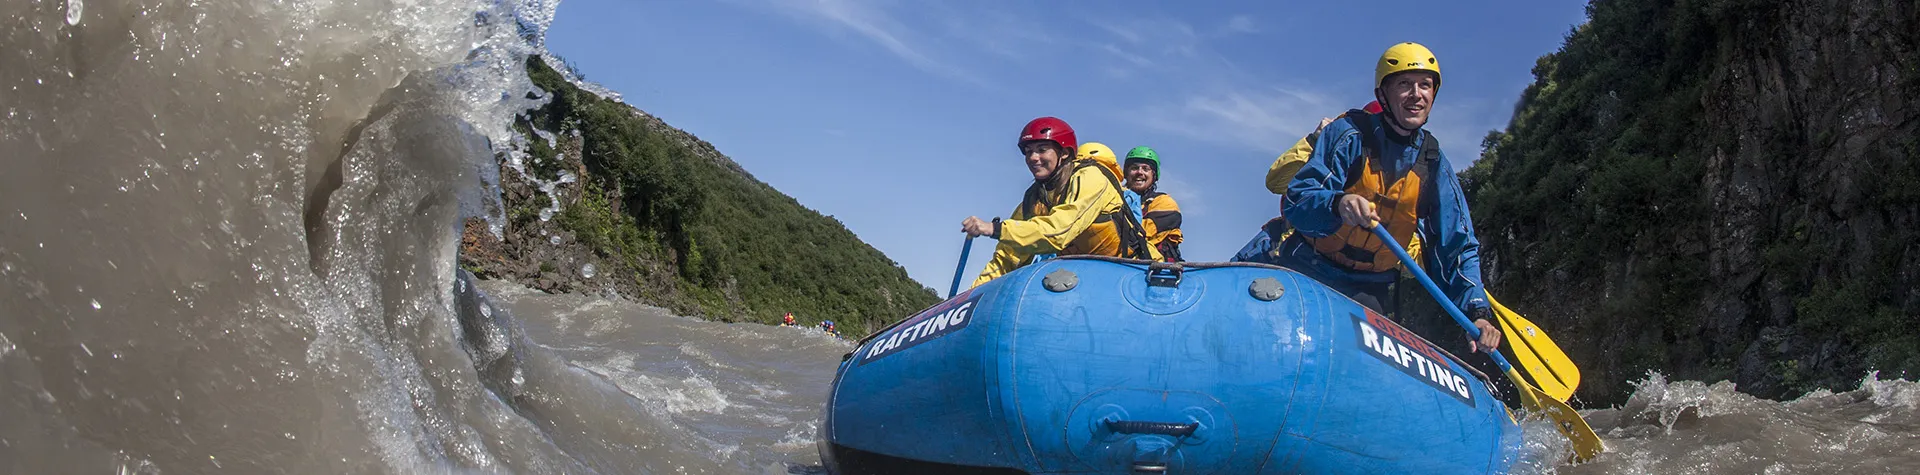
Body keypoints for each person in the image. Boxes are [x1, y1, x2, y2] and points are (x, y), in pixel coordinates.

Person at [1234, 42, 1499, 354]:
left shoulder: (1433, 163)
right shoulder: (1349, 134)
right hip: (1309, 268)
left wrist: (1478, 312)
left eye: (1425, 85)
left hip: (1368, 288)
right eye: (1404, 84)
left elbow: (1457, 246)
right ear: (1383, 95)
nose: (1417, 95)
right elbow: (1299, 202)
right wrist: (1338, 203)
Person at [962, 117, 1159, 287]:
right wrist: (970, 297)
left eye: (1042, 149)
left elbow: (1060, 231)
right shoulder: (1034, 199)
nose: (1033, 157)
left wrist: (995, 229)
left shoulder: (1092, 177)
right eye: (1028, 151)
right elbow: (1007, 256)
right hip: (1089, 274)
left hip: (1135, 270)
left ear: (1064, 153)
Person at [1121, 146, 1183, 262]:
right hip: (1119, 264)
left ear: (1154, 175)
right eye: (1134, 168)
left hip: (1157, 272)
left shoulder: (1165, 203)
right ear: (1126, 173)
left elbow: (1139, 234)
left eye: (1145, 169)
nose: (1139, 172)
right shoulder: (1116, 199)